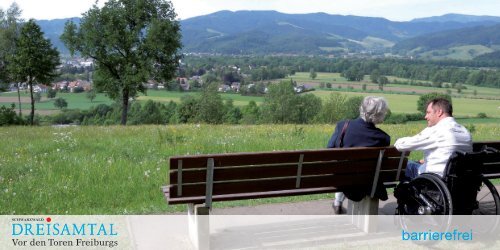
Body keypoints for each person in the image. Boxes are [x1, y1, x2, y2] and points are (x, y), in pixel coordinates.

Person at [327, 96, 390, 214]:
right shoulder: (383, 138)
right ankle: (338, 202)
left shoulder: (342, 126)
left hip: (343, 180)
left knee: (344, 167)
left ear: (361, 108)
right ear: (380, 115)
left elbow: (329, 150)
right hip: (367, 182)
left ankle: (337, 201)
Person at [394, 98, 472, 180]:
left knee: (405, 164)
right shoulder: (465, 131)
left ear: (439, 112)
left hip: (433, 180)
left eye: (428, 112)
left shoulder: (437, 131)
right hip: (461, 180)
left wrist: (398, 141)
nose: (425, 117)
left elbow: (402, 146)